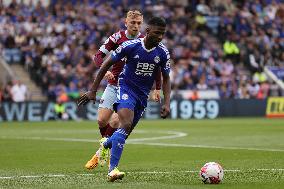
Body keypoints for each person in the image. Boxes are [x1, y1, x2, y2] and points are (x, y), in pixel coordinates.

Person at [78, 16, 171, 182]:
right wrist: (93, 90)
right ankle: (112, 170)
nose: (160, 37)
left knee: (124, 132)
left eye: (162, 34)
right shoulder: (129, 45)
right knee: (124, 123)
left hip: (142, 96)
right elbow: (105, 63)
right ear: (148, 31)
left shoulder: (163, 52)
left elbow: (166, 77)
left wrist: (166, 102)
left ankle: (106, 145)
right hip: (125, 88)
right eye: (157, 33)